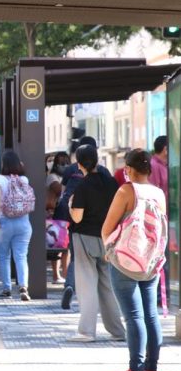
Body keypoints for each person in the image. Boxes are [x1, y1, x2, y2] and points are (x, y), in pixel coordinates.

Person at [102, 149, 166, 371]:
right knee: (150, 314)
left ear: (128, 169)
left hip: (126, 261)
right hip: (150, 262)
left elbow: (107, 228)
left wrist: (109, 252)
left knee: (134, 316)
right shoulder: (158, 193)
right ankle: (151, 370)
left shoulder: (126, 190)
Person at [66, 144, 125, 342]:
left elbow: (77, 218)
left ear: (79, 164)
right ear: (97, 160)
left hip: (85, 238)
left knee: (87, 284)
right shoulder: (111, 183)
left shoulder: (82, 186)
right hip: (108, 238)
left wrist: (69, 204)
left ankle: (86, 331)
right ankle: (117, 330)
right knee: (108, 285)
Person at [57, 135, 113, 310]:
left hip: (79, 228)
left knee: (79, 262)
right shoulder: (105, 174)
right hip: (104, 229)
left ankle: (70, 286)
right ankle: (111, 314)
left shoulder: (70, 172)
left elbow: (64, 195)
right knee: (105, 270)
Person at [0, 150, 32, 301]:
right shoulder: (24, 179)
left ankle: (6, 288)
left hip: (4, 222)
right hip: (23, 222)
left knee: (4, 256)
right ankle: (23, 286)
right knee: (21, 256)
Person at [149, 135, 170, 305]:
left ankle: (163, 294)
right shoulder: (155, 166)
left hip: (166, 218)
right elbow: (154, 195)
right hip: (159, 220)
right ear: (165, 149)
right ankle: (159, 295)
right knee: (162, 257)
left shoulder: (163, 165)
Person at [46, 151, 70, 284]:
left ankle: (65, 272)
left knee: (65, 246)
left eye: (66, 162)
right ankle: (56, 274)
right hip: (55, 214)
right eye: (61, 163)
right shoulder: (52, 177)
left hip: (65, 214)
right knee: (56, 245)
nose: (64, 165)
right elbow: (60, 190)